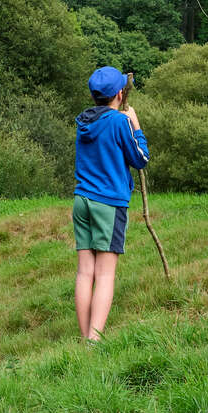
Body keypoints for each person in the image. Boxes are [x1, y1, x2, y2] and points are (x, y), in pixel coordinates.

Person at [73, 66, 149, 342]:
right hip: (108, 203)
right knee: (105, 274)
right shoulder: (119, 122)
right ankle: (94, 342)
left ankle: (85, 337)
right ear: (119, 94)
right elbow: (140, 158)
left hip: (81, 200)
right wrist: (136, 127)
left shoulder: (83, 121)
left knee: (85, 272)